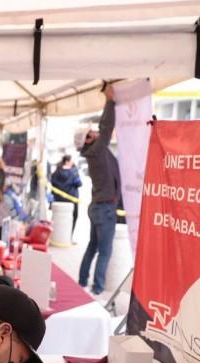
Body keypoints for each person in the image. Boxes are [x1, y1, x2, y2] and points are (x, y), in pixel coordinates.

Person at [77, 84, 121, 296]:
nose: (94, 133)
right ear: (87, 141)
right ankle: (98, 288)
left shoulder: (93, 153)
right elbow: (106, 127)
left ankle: (82, 282)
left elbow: (104, 130)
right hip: (103, 208)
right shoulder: (96, 150)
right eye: (90, 133)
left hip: (98, 207)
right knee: (104, 251)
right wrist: (109, 101)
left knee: (93, 246)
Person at [50, 155, 83, 237]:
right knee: (72, 218)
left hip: (58, 199)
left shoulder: (57, 172)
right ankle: (68, 237)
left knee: (57, 219)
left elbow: (52, 183)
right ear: (67, 161)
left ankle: (56, 236)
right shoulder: (73, 172)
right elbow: (79, 183)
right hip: (71, 200)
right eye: (71, 161)